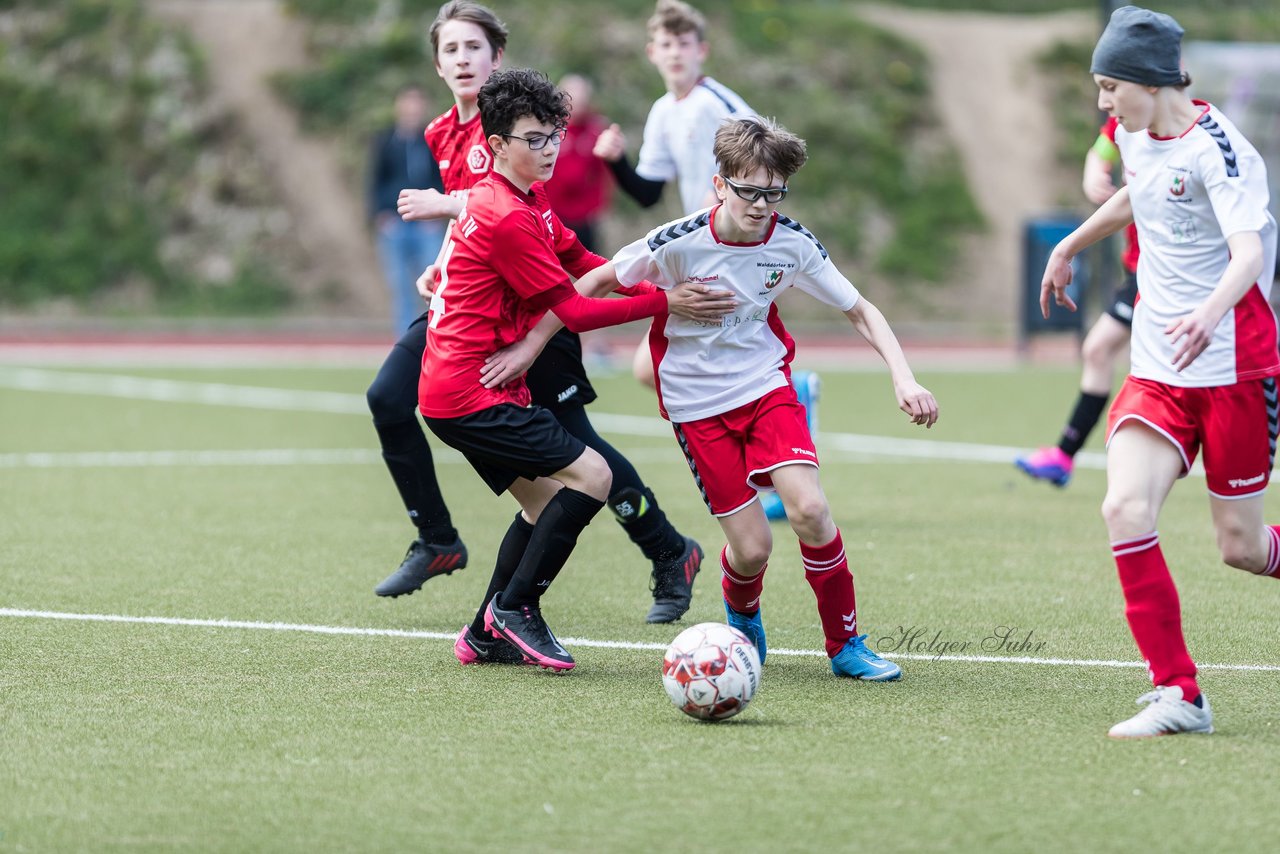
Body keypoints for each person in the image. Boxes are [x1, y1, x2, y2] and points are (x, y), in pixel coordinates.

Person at [579, 116, 939, 680]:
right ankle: (743, 617)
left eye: (773, 193)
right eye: (749, 191)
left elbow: (860, 308)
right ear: (720, 183)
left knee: (812, 511)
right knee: (752, 550)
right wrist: (537, 344)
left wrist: (904, 377)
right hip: (696, 407)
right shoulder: (677, 242)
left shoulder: (791, 243)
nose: (761, 204)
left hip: (766, 386)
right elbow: (591, 286)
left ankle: (845, 646)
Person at [389, 1, 710, 627]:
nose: (462, 59)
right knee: (389, 397)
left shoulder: (526, 147)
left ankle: (666, 550)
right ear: (435, 62)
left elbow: (552, 251)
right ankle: (447, 549)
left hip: (535, 315)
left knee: (577, 454)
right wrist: (445, 261)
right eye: (451, 49)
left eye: (473, 48)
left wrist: (547, 333)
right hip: (490, 319)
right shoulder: (444, 135)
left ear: (496, 57)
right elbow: (487, 225)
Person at [1041, 5, 1280, 738]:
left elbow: (1247, 253)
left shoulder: (1223, 153)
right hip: (1158, 371)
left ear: (1151, 81)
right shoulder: (1134, 136)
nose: (1104, 104)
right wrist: (1071, 245)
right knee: (1124, 509)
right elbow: (1133, 194)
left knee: (1241, 547)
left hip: (1235, 371)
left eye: (1112, 86)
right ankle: (1180, 693)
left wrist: (1210, 312)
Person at [593, 0, 819, 521]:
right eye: (665, 45)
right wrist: (615, 162)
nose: (675, 54)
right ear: (652, 52)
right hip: (697, 250)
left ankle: (772, 460)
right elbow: (649, 194)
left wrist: (728, 223)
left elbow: (762, 171)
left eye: (684, 44)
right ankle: (788, 415)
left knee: (656, 364)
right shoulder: (662, 110)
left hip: (734, 248)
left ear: (702, 50)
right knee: (653, 369)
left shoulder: (719, 105)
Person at [1017, 115, 1139, 487]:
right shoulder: (1126, 118)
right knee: (1100, 351)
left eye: (1110, 86)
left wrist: (1068, 248)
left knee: (1131, 361)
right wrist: (1093, 171)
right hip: (1141, 271)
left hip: (1168, 273)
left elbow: (1134, 198)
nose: (1104, 100)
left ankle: (1072, 457)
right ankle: (1064, 456)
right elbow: (1103, 146)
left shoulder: (1178, 133)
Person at [368, 85, 449, 334]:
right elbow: (374, 180)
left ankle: (433, 336)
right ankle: (404, 340)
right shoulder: (386, 140)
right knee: (401, 286)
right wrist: (380, 214)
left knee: (435, 283)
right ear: (399, 107)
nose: (412, 109)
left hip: (427, 225)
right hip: (395, 224)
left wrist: (437, 213)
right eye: (408, 103)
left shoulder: (433, 140)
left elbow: (444, 178)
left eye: (417, 103)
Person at [544, 74, 612, 255]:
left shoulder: (596, 130)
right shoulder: (548, 129)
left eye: (582, 98)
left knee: (588, 267)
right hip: (552, 215)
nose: (577, 104)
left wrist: (597, 208)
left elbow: (603, 175)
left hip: (584, 218)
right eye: (571, 98)